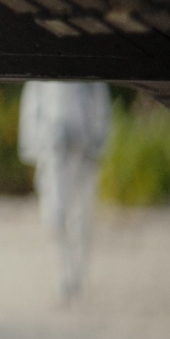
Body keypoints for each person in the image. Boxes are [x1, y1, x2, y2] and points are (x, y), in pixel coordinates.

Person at [17, 79, 112, 303]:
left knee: (82, 217)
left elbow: (100, 103)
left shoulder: (87, 65)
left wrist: (96, 140)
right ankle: (63, 273)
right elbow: (32, 106)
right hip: (53, 151)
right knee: (54, 214)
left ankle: (78, 273)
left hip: (83, 151)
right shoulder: (42, 69)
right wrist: (39, 141)